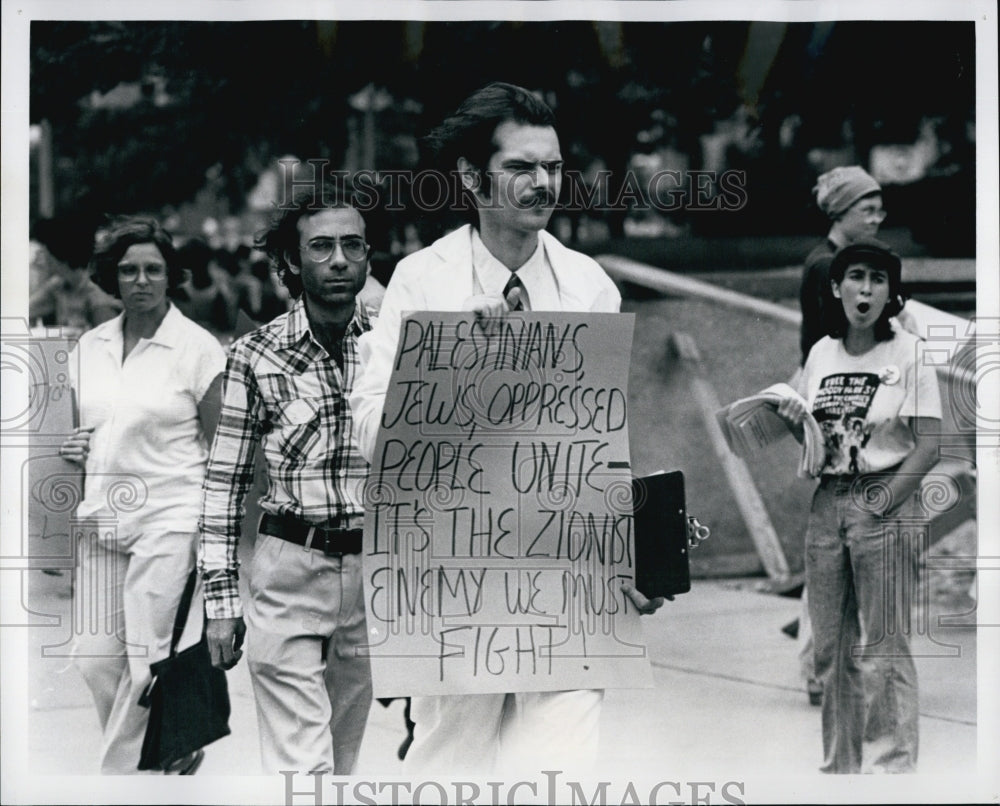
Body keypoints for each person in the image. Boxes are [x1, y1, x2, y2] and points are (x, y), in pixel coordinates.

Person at [349, 82, 665, 776]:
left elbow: (602, 441)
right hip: (452, 573)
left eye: (552, 166)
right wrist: (453, 360)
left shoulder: (589, 285)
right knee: (449, 772)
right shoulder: (421, 282)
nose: (542, 182)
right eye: (520, 166)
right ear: (472, 177)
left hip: (567, 577)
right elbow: (372, 433)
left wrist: (638, 552)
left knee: (558, 774)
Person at [198, 188, 374, 775]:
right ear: (292, 263)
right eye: (321, 247)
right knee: (302, 768)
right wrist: (221, 602)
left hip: (374, 578)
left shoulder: (393, 346)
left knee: (342, 764)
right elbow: (224, 484)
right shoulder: (255, 355)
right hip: (289, 570)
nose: (340, 260)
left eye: (352, 245)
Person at [60, 216, 226, 774]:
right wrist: (74, 446)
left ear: (170, 275)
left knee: (146, 665)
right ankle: (174, 745)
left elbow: (223, 447)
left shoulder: (197, 349)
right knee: (94, 661)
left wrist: (217, 539)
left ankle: (123, 781)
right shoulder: (89, 347)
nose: (141, 281)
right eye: (128, 270)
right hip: (101, 520)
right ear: (111, 277)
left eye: (153, 269)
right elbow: (83, 430)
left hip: (170, 519)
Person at [777, 238, 941, 773]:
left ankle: (893, 772)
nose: (865, 289)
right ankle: (841, 771)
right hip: (827, 505)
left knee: (885, 649)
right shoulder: (821, 354)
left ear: (890, 293)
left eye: (877, 279)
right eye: (855, 277)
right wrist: (789, 422)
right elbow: (816, 441)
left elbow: (930, 446)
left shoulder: (909, 352)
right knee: (831, 650)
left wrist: (883, 503)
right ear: (836, 287)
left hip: (884, 500)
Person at [793, 165, 891, 705]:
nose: (877, 217)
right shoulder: (826, 266)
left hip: (842, 398)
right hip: (835, 403)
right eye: (866, 209)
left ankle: (824, 664)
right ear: (841, 212)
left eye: (879, 208)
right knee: (834, 546)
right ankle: (819, 667)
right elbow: (836, 341)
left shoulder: (842, 263)